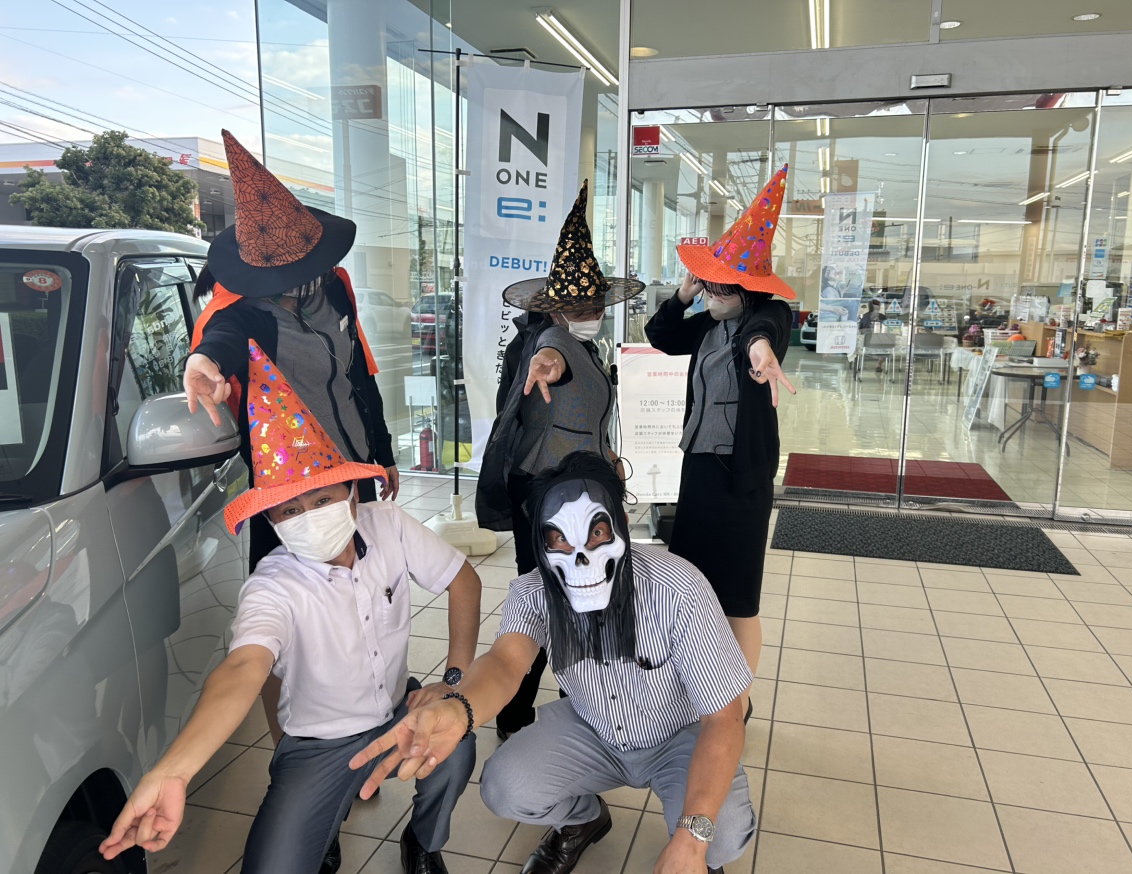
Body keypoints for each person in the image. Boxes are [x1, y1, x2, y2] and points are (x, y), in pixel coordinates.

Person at [99, 345, 481, 874]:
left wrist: (453, 679)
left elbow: (463, 580)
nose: (309, 517)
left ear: (351, 493)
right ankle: (322, 831)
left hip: (399, 708)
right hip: (318, 743)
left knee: (459, 742)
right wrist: (175, 770)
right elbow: (243, 668)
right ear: (273, 522)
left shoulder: (388, 526)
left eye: (322, 499)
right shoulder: (272, 584)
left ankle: (422, 840)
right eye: (290, 510)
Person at [354, 452, 756, 874]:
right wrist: (460, 707)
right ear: (540, 541)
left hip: (681, 736)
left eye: (596, 532)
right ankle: (583, 820)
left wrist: (692, 839)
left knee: (719, 836)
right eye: (559, 538)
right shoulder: (533, 592)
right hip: (595, 728)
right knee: (505, 786)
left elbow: (724, 717)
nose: (580, 556)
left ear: (621, 523)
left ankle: (694, 845)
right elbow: (505, 663)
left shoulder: (678, 587)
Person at [186, 129, 400, 753]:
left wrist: (382, 454)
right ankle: (292, 752)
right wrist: (204, 362)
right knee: (288, 622)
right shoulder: (243, 312)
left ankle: (363, 724)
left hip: (350, 476)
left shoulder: (335, 288)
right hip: (288, 494)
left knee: (361, 601)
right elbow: (221, 341)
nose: (303, 276)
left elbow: (359, 375)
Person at [476, 181, 643, 740]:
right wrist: (546, 362)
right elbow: (551, 359)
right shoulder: (552, 341)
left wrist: (607, 454)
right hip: (549, 494)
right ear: (556, 308)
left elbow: (583, 413)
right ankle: (519, 712)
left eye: (595, 305)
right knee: (553, 597)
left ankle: (570, 704)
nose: (590, 313)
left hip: (578, 488)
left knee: (574, 594)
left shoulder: (584, 344)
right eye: (580, 306)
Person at [645, 166, 796, 718]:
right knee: (693, 586)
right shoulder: (709, 322)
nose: (710, 290)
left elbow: (765, 331)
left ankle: (736, 705)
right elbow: (661, 336)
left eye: (719, 283)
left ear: (746, 290)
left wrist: (761, 352)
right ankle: (698, 687)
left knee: (737, 598)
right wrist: (684, 294)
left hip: (741, 478)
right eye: (707, 281)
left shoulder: (769, 315)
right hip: (700, 473)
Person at [859, 300, 886, 373]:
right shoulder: (882, 317)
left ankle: (878, 364)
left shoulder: (865, 316)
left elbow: (860, 329)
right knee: (885, 346)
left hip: (868, 343)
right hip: (877, 342)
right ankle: (879, 364)